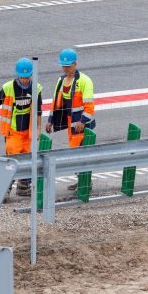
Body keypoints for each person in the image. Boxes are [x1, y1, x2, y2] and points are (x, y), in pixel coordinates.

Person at [0, 57, 43, 197]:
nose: (24, 80)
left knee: (28, 158)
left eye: (27, 77)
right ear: (17, 74)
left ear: (31, 75)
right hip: (13, 131)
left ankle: (23, 186)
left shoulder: (36, 88)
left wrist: (38, 128)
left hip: (28, 132)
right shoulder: (8, 88)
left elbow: (39, 110)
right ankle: (5, 189)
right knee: (12, 160)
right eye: (22, 77)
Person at [46, 48, 96, 190]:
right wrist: (50, 120)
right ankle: (82, 180)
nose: (65, 68)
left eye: (68, 66)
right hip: (71, 124)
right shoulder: (61, 80)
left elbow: (89, 106)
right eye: (63, 66)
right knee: (75, 152)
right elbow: (56, 102)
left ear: (75, 64)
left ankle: (86, 183)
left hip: (83, 125)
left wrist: (83, 121)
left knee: (81, 153)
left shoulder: (85, 81)